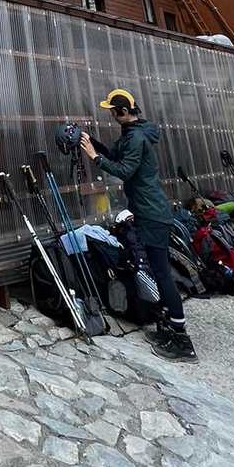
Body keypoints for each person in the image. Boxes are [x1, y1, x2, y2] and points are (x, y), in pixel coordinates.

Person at [80, 88, 197, 361]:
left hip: (152, 213)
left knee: (161, 272)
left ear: (123, 111)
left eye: (113, 111)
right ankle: (167, 323)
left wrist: (95, 158)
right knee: (155, 269)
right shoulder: (133, 133)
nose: (111, 115)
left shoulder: (136, 138)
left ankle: (181, 338)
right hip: (147, 211)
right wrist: (92, 143)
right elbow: (116, 156)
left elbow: (124, 170)